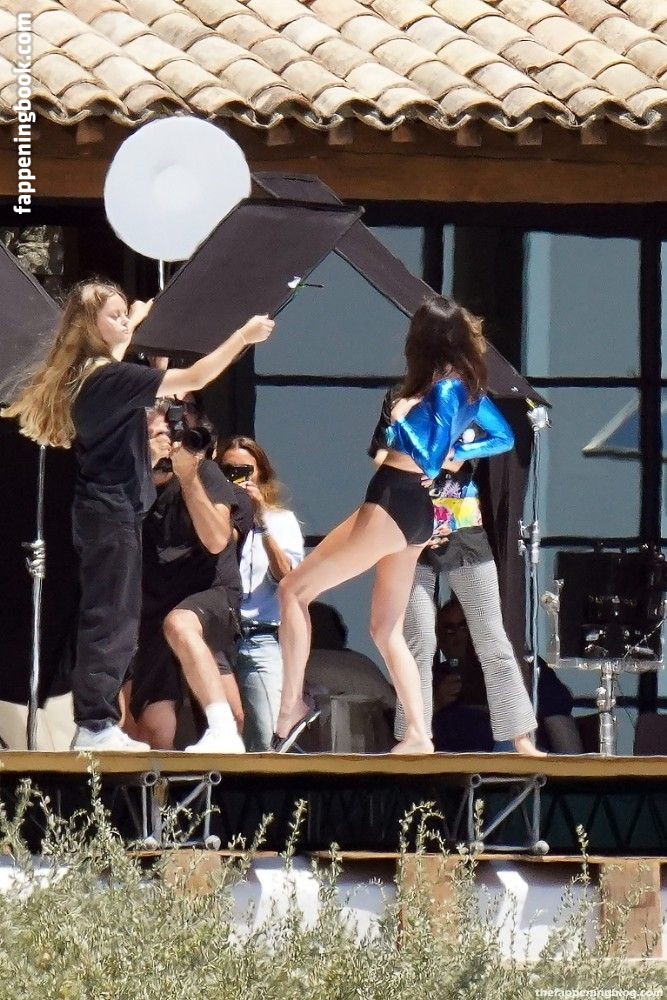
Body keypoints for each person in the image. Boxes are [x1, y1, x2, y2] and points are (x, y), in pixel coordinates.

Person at [1, 278, 274, 751]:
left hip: (107, 510)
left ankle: (96, 722)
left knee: (114, 616)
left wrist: (134, 323)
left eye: (126, 313)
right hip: (110, 512)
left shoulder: (93, 374)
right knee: (111, 620)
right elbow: (196, 378)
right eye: (115, 315)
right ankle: (96, 724)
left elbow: (117, 349)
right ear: (91, 327)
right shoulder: (108, 379)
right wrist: (242, 337)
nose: (125, 321)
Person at [274, 295, 519, 755]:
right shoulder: (467, 387)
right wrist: (461, 451)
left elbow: (428, 455)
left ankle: (291, 707)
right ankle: (419, 734)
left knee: (292, 591)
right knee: (385, 630)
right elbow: (502, 437)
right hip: (415, 511)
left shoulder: (442, 390)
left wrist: (401, 424)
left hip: (395, 499)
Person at [369, 391, 543, 756]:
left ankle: (520, 736)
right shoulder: (399, 395)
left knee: (491, 637)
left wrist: (456, 453)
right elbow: (381, 457)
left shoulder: (467, 396)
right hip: (411, 523)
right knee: (418, 638)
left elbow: (500, 438)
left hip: (463, 525)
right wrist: (409, 451)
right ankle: (413, 735)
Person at [126, 405, 253, 753]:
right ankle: (161, 790)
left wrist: (187, 478)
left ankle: (222, 732)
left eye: (168, 435)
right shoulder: (127, 482)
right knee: (154, 728)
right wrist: (144, 473)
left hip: (209, 594)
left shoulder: (205, 472)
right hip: (153, 607)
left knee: (180, 625)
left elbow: (217, 539)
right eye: (154, 436)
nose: (164, 443)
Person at [217, 437, 304, 751]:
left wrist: (261, 521)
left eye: (244, 470)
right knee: (221, 735)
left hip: (260, 636)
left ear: (260, 474)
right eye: (227, 471)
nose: (236, 478)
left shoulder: (281, 520)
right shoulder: (211, 520)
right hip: (218, 639)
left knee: (265, 739)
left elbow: (287, 578)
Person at [433, 596, 573, 753]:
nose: (458, 637)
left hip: (511, 758)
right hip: (445, 762)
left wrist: (572, 767)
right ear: (439, 640)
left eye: (464, 628)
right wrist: (436, 702)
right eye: (449, 631)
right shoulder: (433, 677)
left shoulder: (522, 665)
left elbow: (558, 719)